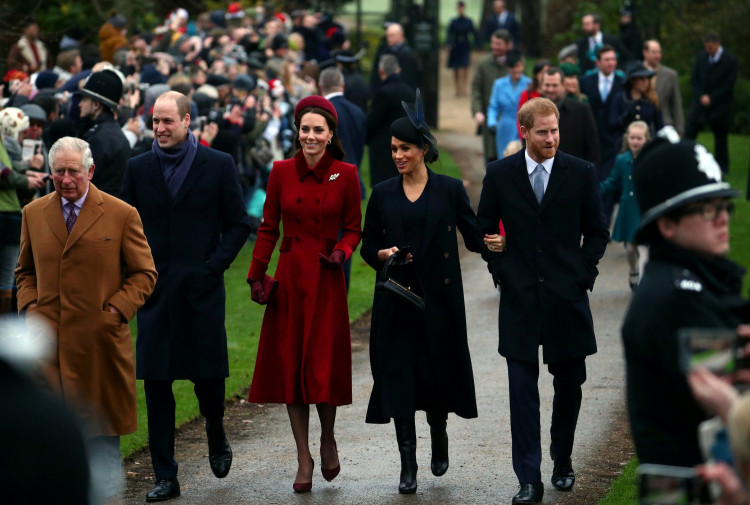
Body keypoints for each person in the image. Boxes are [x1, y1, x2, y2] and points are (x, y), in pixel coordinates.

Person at [361, 89, 505, 494]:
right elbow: (367, 244)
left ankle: (438, 433)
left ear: (423, 149)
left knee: (436, 375)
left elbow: (472, 233)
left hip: (438, 303)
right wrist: (382, 253)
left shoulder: (448, 189)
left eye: (404, 148)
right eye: (392, 149)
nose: (397, 155)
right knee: (400, 378)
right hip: (395, 301)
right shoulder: (383, 193)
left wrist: (495, 241)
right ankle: (408, 461)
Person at [476, 97, 609, 504]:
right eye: (542, 132)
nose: (551, 138)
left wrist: (582, 277)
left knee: (569, 384)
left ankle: (562, 458)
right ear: (524, 132)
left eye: (554, 131)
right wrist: (500, 271)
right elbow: (484, 232)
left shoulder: (581, 173)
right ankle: (528, 478)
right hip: (519, 298)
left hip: (566, 298)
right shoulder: (500, 174)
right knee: (522, 390)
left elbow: (598, 232)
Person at [120, 91, 251, 502]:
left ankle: (216, 429)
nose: (159, 128)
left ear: (187, 121)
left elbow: (238, 224)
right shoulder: (138, 169)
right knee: (157, 386)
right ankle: (166, 475)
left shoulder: (218, 164)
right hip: (155, 294)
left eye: (167, 121)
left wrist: (212, 267)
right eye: (154, 121)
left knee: (208, 381)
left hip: (201, 293)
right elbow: (125, 226)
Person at [15, 136, 157, 503]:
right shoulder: (33, 213)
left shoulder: (121, 213)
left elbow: (144, 273)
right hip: (48, 352)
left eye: (73, 172)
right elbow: (24, 272)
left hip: (99, 350)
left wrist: (116, 310)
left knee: (102, 446)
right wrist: (30, 310)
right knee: (48, 447)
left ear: (90, 171)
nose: (65, 180)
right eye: (58, 172)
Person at [246, 95, 362, 493]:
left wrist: (342, 252)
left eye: (318, 130)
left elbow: (353, 228)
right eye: (305, 129)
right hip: (290, 279)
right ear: (297, 132)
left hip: (327, 277)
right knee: (292, 368)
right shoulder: (280, 171)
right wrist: (255, 274)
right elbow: (267, 228)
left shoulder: (345, 174)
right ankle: (303, 456)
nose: (310, 136)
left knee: (322, 365)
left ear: (330, 135)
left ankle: (327, 438)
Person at [622, 127, 747, 467]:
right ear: (667, 225)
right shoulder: (676, 299)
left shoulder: (690, 281)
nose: (723, 218)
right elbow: (733, 393)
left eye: (723, 205)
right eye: (706, 209)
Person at [319, 66, 367, 290]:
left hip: (329, 185)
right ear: (342, 85)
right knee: (346, 242)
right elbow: (359, 150)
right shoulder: (357, 111)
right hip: (354, 183)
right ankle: (341, 294)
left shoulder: (323, 113)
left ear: (320, 87)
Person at [600, 121, 649, 290]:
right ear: (627, 139)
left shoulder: (649, 159)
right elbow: (613, 182)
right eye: (633, 137)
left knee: (643, 248)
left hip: (643, 209)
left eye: (639, 138)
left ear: (646, 140)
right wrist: (595, 189)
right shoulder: (621, 160)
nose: (635, 141)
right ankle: (634, 270)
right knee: (629, 248)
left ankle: (643, 285)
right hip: (628, 209)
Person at [579, 45, 625, 223]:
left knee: (608, 179)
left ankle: (604, 221)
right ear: (598, 62)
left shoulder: (623, 83)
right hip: (591, 138)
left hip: (613, 140)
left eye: (613, 59)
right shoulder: (586, 81)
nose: (611, 63)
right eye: (607, 60)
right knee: (592, 177)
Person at [685, 32, 737, 173]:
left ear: (718, 44)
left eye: (711, 47)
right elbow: (694, 79)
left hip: (720, 105)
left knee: (721, 137)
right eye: (706, 47)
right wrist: (700, 95)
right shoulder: (701, 57)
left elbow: (729, 85)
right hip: (700, 102)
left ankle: (722, 166)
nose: (709, 50)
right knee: (690, 131)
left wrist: (712, 98)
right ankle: (684, 159)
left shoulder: (730, 60)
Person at [78, 69, 131, 196]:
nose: (80, 104)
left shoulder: (99, 138)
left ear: (96, 105)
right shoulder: (111, 132)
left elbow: (81, 180)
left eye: (84, 99)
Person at [366, 54, 414, 188]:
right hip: (406, 147)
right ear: (398, 70)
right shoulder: (409, 91)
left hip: (384, 150)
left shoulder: (383, 93)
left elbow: (372, 122)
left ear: (381, 72)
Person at [541, 67, 599, 166]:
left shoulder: (581, 110)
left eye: (554, 85)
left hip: (574, 172)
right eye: (547, 85)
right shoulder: (533, 111)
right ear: (542, 85)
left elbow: (592, 147)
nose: (550, 89)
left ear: (563, 86)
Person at [471, 29, 511, 165]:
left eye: (499, 44)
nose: (495, 46)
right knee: (491, 156)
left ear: (508, 45)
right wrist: (477, 111)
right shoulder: (483, 64)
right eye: (493, 43)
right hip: (490, 118)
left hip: (511, 119)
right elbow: (476, 90)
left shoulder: (514, 63)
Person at [486, 50, 530, 165]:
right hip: (505, 126)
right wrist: (492, 122)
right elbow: (493, 106)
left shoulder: (529, 84)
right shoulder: (499, 84)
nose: (516, 70)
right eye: (513, 67)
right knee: (504, 159)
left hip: (524, 126)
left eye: (519, 66)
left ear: (522, 66)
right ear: (508, 68)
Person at [609, 61, 663, 149]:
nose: (645, 82)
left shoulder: (652, 99)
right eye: (641, 79)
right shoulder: (620, 98)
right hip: (624, 146)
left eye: (647, 78)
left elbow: (660, 127)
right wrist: (625, 117)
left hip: (646, 146)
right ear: (633, 80)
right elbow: (612, 124)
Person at [642, 39, 684, 136]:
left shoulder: (670, 75)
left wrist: (679, 129)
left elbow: (676, 103)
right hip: (641, 127)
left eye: (659, 52)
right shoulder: (635, 74)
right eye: (654, 52)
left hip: (664, 125)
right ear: (645, 53)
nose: (658, 56)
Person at [369, 23, 419, 92]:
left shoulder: (406, 54)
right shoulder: (386, 50)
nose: (389, 38)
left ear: (401, 36)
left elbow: (408, 78)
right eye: (387, 36)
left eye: (392, 36)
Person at [446, 1, 477, 97]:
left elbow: (474, 33)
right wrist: (449, 44)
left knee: (465, 66)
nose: (461, 10)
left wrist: (477, 44)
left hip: (465, 46)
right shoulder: (454, 22)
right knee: (455, 68)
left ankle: (464, 88)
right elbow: (449, 34)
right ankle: (457, 88)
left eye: (462, 8)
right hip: (456, 46)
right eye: (459, 8)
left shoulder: (468, 21)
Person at [516, 59, 551, 137]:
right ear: (536, 74)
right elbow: (520, 118)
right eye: (543, 72)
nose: (545, 76)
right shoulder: (527, 94)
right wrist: (523, 136)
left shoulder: (552, 94)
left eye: (548, 72)